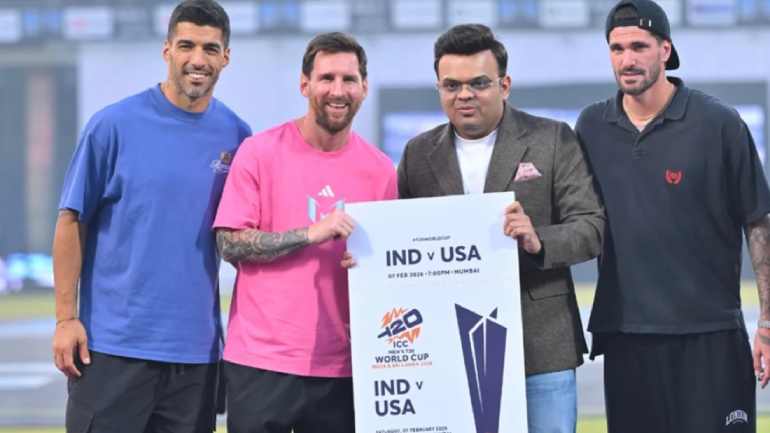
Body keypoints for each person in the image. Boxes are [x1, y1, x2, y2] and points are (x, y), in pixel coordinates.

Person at [51, 1, 251, 432]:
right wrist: (66, 319)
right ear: (167, 50)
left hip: (196, 357)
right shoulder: (112, 126)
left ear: (226, 57)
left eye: (211, 49)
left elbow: (249, 238)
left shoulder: (239, 138)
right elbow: (71, 222)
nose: (198, 59)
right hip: (112, 350)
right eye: (187, 45)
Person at [396, 24, 605, 433]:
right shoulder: (418, 154)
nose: (464, 95)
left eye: (478, 83)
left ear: (504, 85)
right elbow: (400, 240)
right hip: (448, 349)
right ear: (439, 88)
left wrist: (538, 238)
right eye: (451, 85)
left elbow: (591, 227)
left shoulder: (551, 139)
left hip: (540, 345)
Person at [575, 1, 770, 432]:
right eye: (617, 48)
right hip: (626, 338)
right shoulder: (591, 126)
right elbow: (574, 215)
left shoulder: (719, 124)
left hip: (710, 336)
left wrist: (767, 325)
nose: (627, 60)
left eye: (639, 47)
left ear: (665, 50)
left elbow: (759, 223)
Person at [212, 32, 397, 433]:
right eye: (327, 78)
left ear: (364, 87)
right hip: (261, 362)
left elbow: (390, 267)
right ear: (304, 84)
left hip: (345, 367)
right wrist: (311, 233)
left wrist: (371, 264)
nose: (338, 90)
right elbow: (228, 243)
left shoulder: (382, 170)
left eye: (349, 79)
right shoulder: (259, 152)